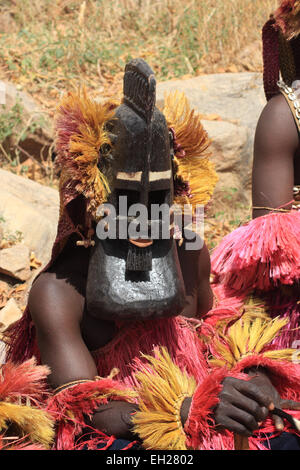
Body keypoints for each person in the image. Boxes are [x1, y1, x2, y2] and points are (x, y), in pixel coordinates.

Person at [4, 59, 300, 451]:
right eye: (126, 199)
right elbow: (88, 406)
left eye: (157, 196)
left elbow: (220, 332)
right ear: (94, 202)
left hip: (203, 417)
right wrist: (186, 411)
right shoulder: (58, 293)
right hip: (123, 435)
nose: (143, 216)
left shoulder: (189, 250)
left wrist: (256, 386)